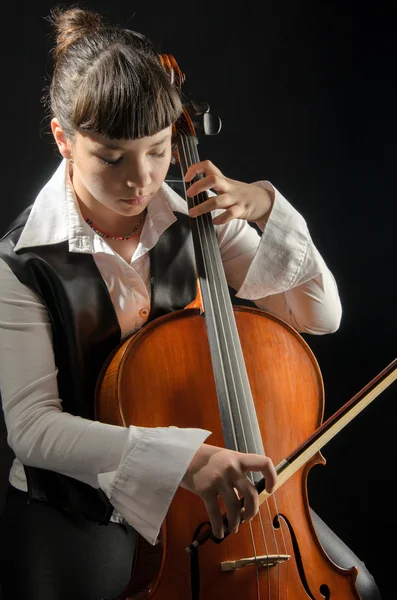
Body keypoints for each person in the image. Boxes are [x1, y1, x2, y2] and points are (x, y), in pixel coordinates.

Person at [0, 6, 380, 600]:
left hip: (206, 496)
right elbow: (33, 431)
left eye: (156, 150)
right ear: (62, 140)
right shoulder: (20, 263)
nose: (142, 180)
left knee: (365, 589)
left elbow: (319, 315)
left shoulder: (197, 221)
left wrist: (267, 208)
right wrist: (187, 460)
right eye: (111, 157)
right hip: (86, 500)